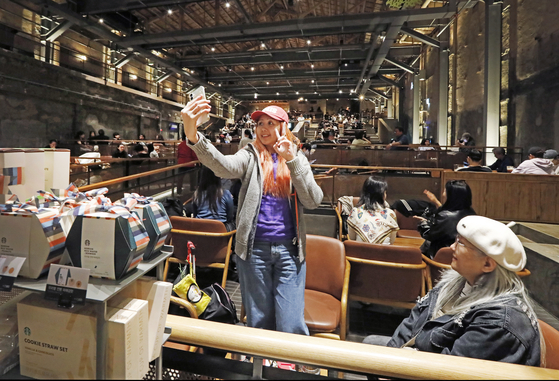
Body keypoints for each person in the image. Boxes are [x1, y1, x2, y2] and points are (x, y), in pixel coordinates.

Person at [180, 100, 322, 337]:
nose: (263, 128)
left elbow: (313, 200)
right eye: (259, 123)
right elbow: (224, 167)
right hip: (254, 251)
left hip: (290, 251)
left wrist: (292, 160)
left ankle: (290, 367)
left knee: (291, 323)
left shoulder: (297, 159)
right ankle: (260, 368)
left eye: (270, 123)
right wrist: (194, 137)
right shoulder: (250, 154)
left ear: (284, 126)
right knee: (259, 320)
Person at [365, 215, 543, 367]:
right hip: (421, 355)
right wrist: (391, 363)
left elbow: (450, 370)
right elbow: (412, 323)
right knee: (370, 344)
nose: (451, 247)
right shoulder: (456, 282)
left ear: (487, 264)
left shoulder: (498, 321)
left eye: (461, 243)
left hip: (433, 367)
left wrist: (394, 369)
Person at [414, 180, 476, 259]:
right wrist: (436, 202)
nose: (443, 194)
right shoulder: (471, 213)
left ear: (451, 196)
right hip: (463, 256)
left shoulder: (445, 216)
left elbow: (429, 234)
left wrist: (422, 223)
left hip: (441, 257)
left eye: (445, 191)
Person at [338, 177, 399, 245]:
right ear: (382, 195)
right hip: (383, 254)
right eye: (385, 192)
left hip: (359, 254)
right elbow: (391, 241)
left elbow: (352, 238)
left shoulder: (355, 212)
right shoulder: (390, 214)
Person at [192, 166, 236, 232]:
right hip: (220, 232)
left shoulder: (197, 194)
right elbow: (230, 216)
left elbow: (195, 214)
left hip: (200, 230)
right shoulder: (225, 193)